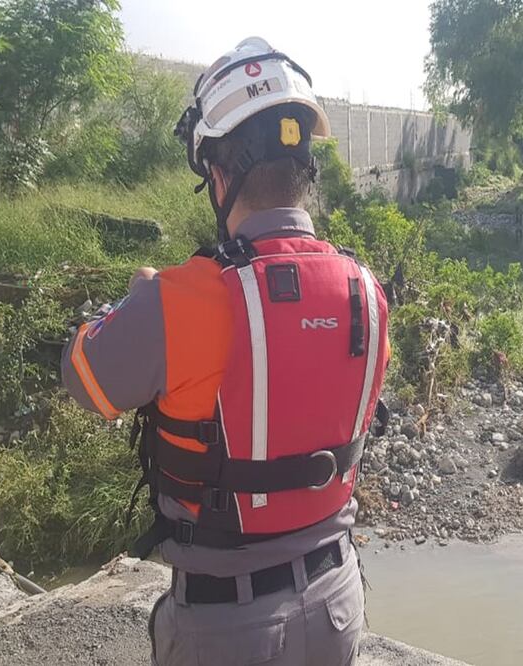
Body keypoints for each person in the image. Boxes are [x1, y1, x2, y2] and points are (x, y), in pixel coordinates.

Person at [61, 37, 390, 665]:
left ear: (218, 174)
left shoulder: (179, 299)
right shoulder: (367, 293)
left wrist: (133, 303)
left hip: (224, 628)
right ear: (304, 168)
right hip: (339, 603)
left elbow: (84, 379)